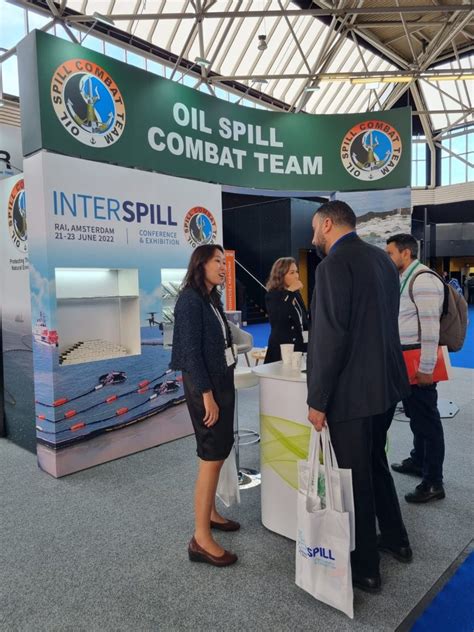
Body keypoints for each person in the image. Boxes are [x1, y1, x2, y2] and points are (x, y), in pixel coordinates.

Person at [306, 201, 411, 594]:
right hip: (386, 385)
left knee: (356, 477)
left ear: (327, 224)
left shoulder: (333, 266)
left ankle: (366, 567)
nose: (313, 237)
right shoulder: (383, 260)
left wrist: (318, 399)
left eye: (314, 229)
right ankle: (397, 539)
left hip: (352, 394)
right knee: (376, 462)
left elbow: (330, 337)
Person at [171, 244, 239, 568]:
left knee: (219, 451)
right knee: (211, 456)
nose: (223, 267)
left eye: (224, 262)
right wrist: (207, 394)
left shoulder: (210, 298)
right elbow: (190, 353)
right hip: (205, 388)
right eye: (217, 261)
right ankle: (200, 539)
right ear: (201, 265)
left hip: (220, 381)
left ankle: (210, 513)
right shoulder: (189, 300)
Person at [386, 234, 446, 504]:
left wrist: (426, 369)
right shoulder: (406, 278)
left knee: (427, 420)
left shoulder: (423, 280)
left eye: (390, 253)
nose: (388, 258)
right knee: (415, 415)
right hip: (405, 360)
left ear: (406, 253)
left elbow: (431, 328)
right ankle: (418, 460)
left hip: (418, 362)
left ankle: (433, 482)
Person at [264, 257, 309, 364]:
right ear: (281, 275)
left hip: (299, 347)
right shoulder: (272, 295)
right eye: (292, 273)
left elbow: (303, 319)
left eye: (296, 272)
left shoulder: (296, 294)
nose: (296, 276)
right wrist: (290, 292)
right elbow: (279, 319)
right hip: (282, 350)